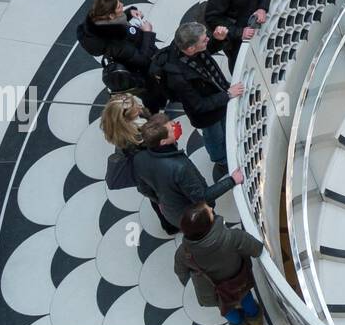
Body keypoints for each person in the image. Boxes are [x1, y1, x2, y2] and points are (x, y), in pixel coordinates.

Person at [153, 22, 244, 173]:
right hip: (207, 114)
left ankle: (229, 148)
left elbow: (207, 50)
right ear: (190, 48)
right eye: (204, 39)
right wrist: (227, 95)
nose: (207, 39)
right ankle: (221, 160)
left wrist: (217, 40)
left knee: (224, 127)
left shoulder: (187, 48)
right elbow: (198, 105)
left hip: (217, 95)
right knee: (215, 137)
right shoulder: (178, 77)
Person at [131, 114, 242, 230]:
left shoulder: (139, 158)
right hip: (194, 217)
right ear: (163, 142)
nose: (175, 127)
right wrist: (232, 180)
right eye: (171, 129)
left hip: (171, 212)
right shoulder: (180, 168)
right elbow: (203, 197)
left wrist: (158, 201)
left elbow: (142, 188)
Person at [175, 202, 263, 325]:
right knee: (246, 299)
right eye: (209, 211)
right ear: (207, 224)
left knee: (226, 309)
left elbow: (181, 272)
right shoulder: (232, 237)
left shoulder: (184, 252)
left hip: (213, 292)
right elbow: (257, 249)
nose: (211, 208)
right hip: (238, 282)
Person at [100, 93, 177, 235]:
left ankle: (169, 225)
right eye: (136, 105)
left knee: (157, 201)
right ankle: (171, 224)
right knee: (162, 200)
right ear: (129, 115)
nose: (140, 105)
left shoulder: (122, 130)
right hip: (153, 178)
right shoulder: (137, 138)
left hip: (149, 180)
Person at [77, 0, 166, 112]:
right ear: (111, 15)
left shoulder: (100, 20)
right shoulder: (116, 44)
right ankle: (156, 109)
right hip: (139, 70)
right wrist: (148, 33)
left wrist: (129, 13)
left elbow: (116, 24)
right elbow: (143, 59)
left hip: (135, 55)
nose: (123, 5)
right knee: (150, 90)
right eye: (119, 6)